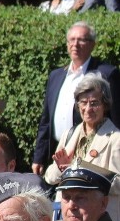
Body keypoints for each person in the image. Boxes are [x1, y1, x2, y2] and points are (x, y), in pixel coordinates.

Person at [32, 22, 120, 174]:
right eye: (71, 40)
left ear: (92, 44)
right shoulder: (56, 75)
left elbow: (116, 117)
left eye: (81, 40)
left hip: (94, 153)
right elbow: (46, 120)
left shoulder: (106, 73)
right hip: (59, 153)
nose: (75, 44)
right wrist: (38, 157)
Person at [44, 74, 120, 221]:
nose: (88, 108)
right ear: (77, 105)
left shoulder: (116, 139)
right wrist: (63, 169)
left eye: (94, 103)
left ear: (105, 105)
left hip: (101, 220)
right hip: (67, 218)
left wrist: (84, 172)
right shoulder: (69, 135)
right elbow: (49, 177)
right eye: (83, 102)